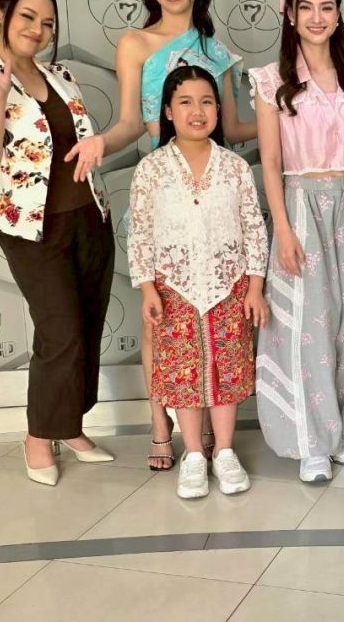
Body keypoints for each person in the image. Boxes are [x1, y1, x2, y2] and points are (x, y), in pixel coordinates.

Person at [66, 0, 254, 471]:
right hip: (161, 187)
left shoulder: (218, 52)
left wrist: (290, 121)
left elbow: (233, 129)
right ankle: (159, 426)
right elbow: (131, 123)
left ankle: (212, 436)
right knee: (161, 316)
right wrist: (102, 142)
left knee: (214, 314)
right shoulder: (135, 44)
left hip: (213, 193)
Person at [0, 0, 114, 486]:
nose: (38, 30)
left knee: (87, 325)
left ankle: (70, 425)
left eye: (47, 23)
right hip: (29, 227)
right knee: (60, 329)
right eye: (27, 17)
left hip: (89, 215)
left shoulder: (60, 75)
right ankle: (39, 436)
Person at [252, 0, 344, 483]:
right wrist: (283, 230)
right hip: (302, 206)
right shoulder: (271, 80)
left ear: (338, 14)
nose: (317, 17)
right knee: (307, 325)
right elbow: (270, 161)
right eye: (306, 7)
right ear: (289, 13)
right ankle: (309, 439)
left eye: (327, 7)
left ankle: (338, 429)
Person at [127, 65, 269, 499]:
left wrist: (255, 286)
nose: (197, 111)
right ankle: (192, 454)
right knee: (183, 370)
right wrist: (148, 287)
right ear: (168, 111)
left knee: (227, 368)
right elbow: (140, 232)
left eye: (207, 102)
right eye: (185, 102)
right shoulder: (151, 170)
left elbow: (253, 226)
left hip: (229, 285)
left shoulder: (234, 167)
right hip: (174, 286)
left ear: (219, 110)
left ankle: (224, 451)